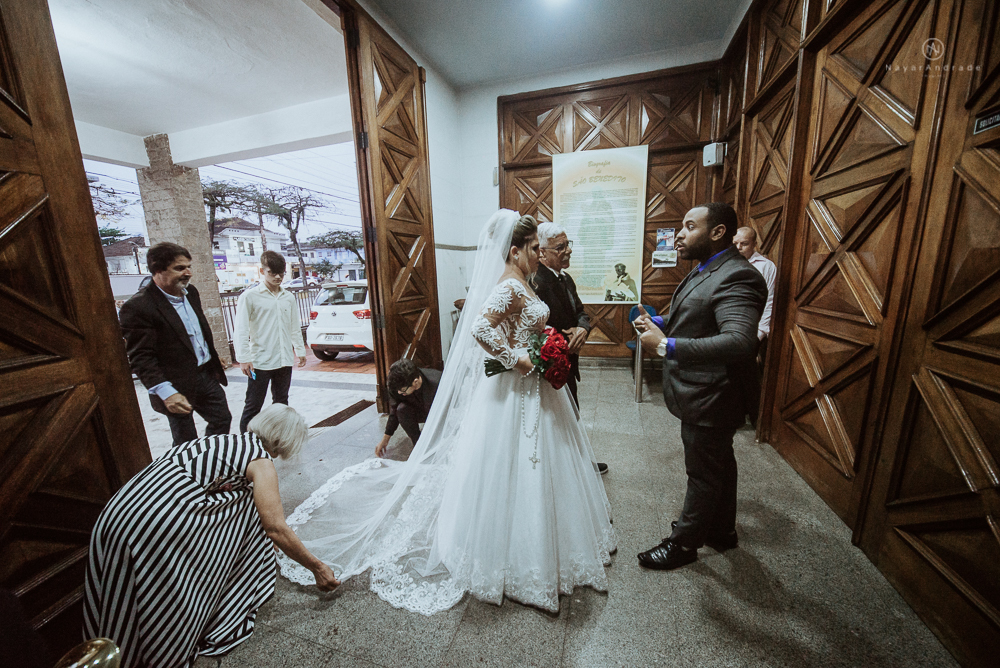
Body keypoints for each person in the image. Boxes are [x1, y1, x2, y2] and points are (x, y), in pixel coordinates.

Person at [276, 210, 615, 614]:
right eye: (533, 250)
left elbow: (525, 324)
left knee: (545, 458)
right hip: (514, 386)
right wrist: (515, 358)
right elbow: (481, 329)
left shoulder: (524, 281)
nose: (538, 256)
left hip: (535, 385)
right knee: (518, 460)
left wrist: (545, 341)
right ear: (515, 251)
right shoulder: (507, 285)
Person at [83, 405, 339, 668]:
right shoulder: (261, 461)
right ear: (286, 440)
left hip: (118, 511)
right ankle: (163, 651)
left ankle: (112, 656)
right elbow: (275, 528)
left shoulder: (222, 441)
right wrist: (316, 567)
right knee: (158, 595)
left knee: (123, 592)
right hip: (153, 522)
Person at [634, 203, 766, 571]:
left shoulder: (739, 275)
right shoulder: (708, 268)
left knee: (703, 471)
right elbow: (699, 313)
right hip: (702, 391)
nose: (679, 234)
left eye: (689, 226)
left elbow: (740, 341)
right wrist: (661, 321)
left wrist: (665, 345)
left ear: (718, 232)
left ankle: (684, 544)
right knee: (720, 462)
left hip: (714, 394)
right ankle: (721, 530)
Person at [120, 242, 231, 446]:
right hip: (174, 384)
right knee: (185, 440)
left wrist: (209, 355)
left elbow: (193, 333)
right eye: (179, 268)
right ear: (158, 269)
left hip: (205, 375)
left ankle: (212, 463)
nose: (188, 273)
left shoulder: (192, 293)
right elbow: (140, 357)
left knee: (222, 420)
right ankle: (189, 474)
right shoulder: (138, 307)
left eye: (189, 266)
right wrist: (166, 392)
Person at [533, 221, 608, 475]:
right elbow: (533, 330)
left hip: (568, 363)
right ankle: (564, 471)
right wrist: (562, 340)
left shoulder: (566, 279)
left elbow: (580, 312)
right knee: (553, 422)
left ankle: (576, 465)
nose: (569, 251)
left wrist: (583, 329)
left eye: (568, 244)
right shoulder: (534, 283)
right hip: (548, 366)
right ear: (542, 252)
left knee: (572, 415)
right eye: (560, 247)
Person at [234, 250, 307, 432]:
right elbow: (241, 330)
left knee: (281, 403)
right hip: (260, 361)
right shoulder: (250, 297)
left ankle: (279, 439)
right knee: (253, 405)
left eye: (280, 273)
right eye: (271, 272)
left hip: (284, 359)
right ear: (262, 271)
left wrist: (300, 350)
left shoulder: (288, 297)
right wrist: (243, 357)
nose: (277, 277)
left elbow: (293, 326)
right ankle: (245, 445)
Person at [375, 358, 442, 457]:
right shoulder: (396, 386)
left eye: (402, 390)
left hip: (438, 411)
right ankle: (418, 444)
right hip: (418, 410)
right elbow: (394, 411)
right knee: (401, 410)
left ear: (415, 382)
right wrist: (385, 438)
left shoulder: (437, 382)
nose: (399, 393)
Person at [734, 226, 776, 342]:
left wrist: (760, 332)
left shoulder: (766, 266)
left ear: (754, 244)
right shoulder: (725, 263)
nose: (738, 247)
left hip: (750, 329)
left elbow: (770, 299)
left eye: (744, 244)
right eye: (735, 243)